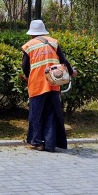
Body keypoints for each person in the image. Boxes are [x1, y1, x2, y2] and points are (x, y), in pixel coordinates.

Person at [21, 20, 76, 152]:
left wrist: (28, 75)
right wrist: (71, 72)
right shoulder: (53, 42)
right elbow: (63, 60)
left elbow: (24, 66)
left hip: (37, 84)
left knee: (36, 113)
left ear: (32, 34)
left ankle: (37, 142)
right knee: (51, 112)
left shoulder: (29, 46)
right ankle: (50, 144)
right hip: (53, 82)